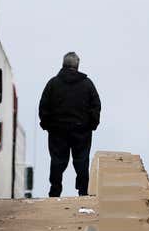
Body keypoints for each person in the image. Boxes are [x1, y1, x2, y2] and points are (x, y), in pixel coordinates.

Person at [37, 51, 101, 197]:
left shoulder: (53, 83)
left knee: (57, 161)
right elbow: (96, 105)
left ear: (63, 65)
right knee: (81, 161)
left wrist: (46, 125)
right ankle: (83, 191)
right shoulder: (87, 84)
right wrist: (92, 124)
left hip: (57, 131)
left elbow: (43, 106)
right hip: (81, 130)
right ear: (77, 66)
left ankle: (55, 190)